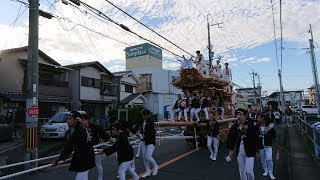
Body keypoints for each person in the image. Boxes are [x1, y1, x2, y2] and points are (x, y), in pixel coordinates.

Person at [51, 111, 95, 180]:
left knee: (80, 177)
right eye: (67, 119)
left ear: (75, 120)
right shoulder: (81, 129)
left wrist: (57, 160)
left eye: (69, 119)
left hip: (84, 159)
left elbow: (69, 147)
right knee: (83, 177)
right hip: (88, 158)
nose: (67, 121)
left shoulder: (78, 131)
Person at [226, 108, 260, 180]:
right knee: (241, 171)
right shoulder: (234, 127)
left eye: (241, 115)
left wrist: (257, 151)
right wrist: (231, 151)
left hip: (250, 150)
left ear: (245, 116)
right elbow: (231, 139)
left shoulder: (250, 125)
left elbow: (255, 139)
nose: (239, 117)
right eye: (238, 115)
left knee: (249, 171)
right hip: (239, 150)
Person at [79, 113, 111, 180]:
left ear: (87, 120)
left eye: (82, 120)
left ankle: (100, 178)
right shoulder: (80, 128)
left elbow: (103, 134)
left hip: (96, 148)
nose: (81, 122)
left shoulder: (94, 127)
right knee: (85, 166)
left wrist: (108, 138)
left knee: (98, 164)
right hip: (86, 149)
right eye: (80, 120)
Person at [135, 109, 158, 178]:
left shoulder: (151, 122)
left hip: (150, 141)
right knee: (144, 158)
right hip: (143, 141)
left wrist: (143, 138)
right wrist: (136, 133)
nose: (143, 117)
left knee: (147, 157)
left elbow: (151, 133)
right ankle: (147, 172)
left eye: (144, 115)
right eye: (142, 115)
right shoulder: (141, 121)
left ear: (147, 115)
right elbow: (136, 127)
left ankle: (155, 166)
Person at [256, 113, 279, 180]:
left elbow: (274, 137)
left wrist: (277, 145)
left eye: (259, 117)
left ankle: (271, 173)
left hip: (268, 146)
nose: (258, 119)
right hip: (261, 146)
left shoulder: (270, 127)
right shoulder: (257, 127)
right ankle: (266, 170)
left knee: (269, 159)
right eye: (258, 118)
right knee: (263, 160)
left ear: (264, 118)